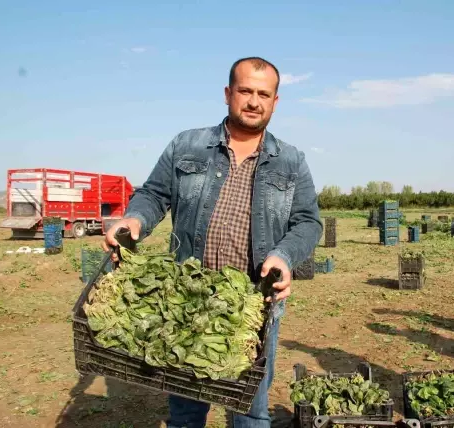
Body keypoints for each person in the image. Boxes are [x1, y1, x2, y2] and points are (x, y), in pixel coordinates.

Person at [102, 56, 323, 428]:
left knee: (250, 408)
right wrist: (135, 218)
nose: (254, 101)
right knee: (186, 410)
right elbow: (154, 193)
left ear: (275, 101)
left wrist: (284, 257)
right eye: (245, 91)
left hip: (252, 304)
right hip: (188, 301)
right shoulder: (187, 145)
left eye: (264, 94)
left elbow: (307, 221)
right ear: (228, 93)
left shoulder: (290, 160)